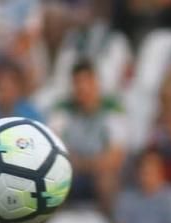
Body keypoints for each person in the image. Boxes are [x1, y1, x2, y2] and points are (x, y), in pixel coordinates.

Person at [47, 60, 128, 209]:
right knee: (49, 179)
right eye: (78, 83)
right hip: (71, 171)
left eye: (87, 82)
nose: (83, 88)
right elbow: (54, 150)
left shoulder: (113, 109)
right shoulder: (62, 109)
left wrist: (81, 163)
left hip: (96, 172)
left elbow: (115, 157)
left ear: (96, 82)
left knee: (107, 180)